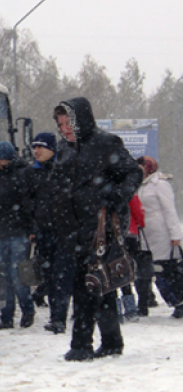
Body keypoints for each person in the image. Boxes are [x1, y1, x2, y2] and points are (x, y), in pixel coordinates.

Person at [53, 98, 142, 361]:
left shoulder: (106, 143)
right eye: (61, 124)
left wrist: (117, 195)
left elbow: (133, 173)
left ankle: (81, 344)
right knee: (101, 284)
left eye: (69, 122)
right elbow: (61, 186)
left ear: (82, 119)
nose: (66, 128)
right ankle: (112, 341)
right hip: (74, 227)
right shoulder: (65, 149)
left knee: (86, 284)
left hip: (102, 225)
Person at [29, 132, 75, 334]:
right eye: (34, 147)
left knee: (62, 274)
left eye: (41, 147)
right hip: (43, 233)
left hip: (65, 232)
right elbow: (28, 203)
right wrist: (33, 227)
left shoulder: (64, 170)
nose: (37, 151)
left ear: (52, 149)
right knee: (48, 275)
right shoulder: (33, 173)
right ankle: (55, 315)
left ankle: (59, 317)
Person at [0, 141, 36, 329]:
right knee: (10, 275)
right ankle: (12, 314)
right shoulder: (7, 177)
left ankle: (17, 312)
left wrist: (30, 228)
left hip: (14, 232)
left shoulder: (11, 178)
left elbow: (26, 205)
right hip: (7, 231)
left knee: (15, 275)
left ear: (1, 158)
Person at [136, 156, 183, 318]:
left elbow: (170, 210)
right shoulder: (141, 184)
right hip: (146, 235)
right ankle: (170, 301)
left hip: (162, 234)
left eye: (141, 166)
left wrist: (175, 235)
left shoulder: (160, 184)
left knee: (168, 270)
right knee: (152, 271)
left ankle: (179, 301)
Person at [118, 194, 145, 322]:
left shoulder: (100, 188)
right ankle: (130, 308)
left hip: (107, 234)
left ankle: (114, 308)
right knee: (126, 269)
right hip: (129, 233)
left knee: (109, 270)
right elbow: (138, 211)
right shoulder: (129, 190)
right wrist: (140, 223)